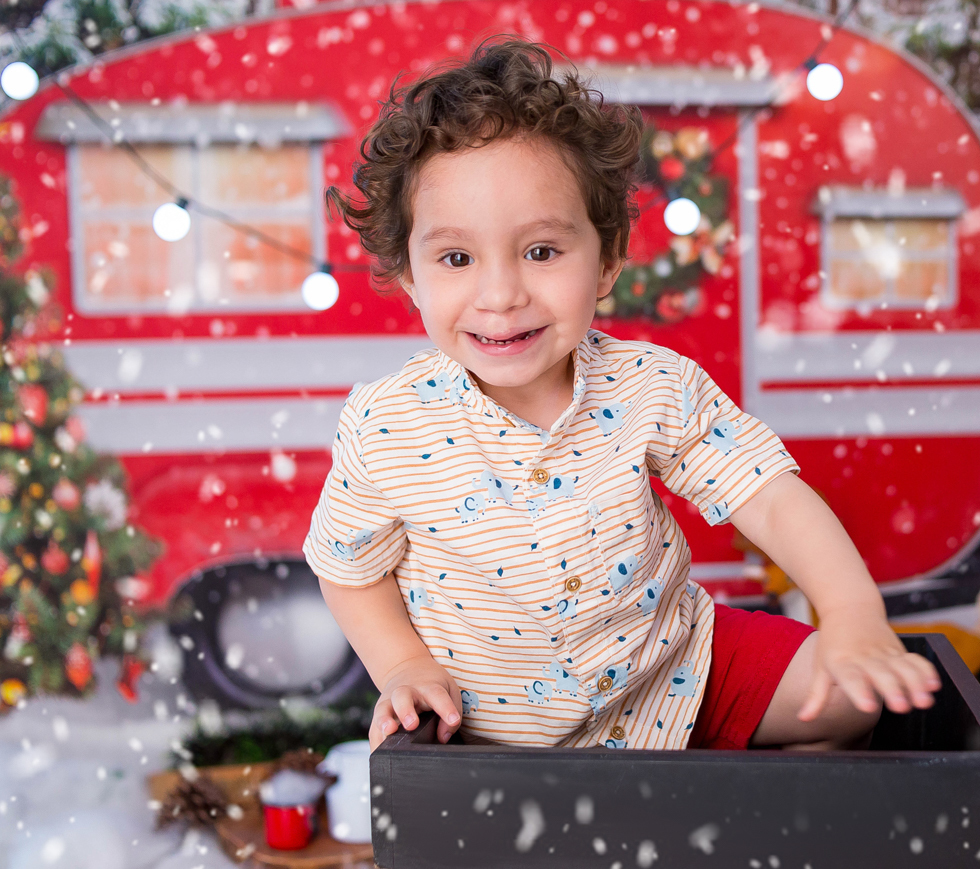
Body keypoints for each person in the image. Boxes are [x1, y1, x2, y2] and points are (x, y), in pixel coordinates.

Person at [303, 36, 941, 753]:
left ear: (606, 260)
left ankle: (761, 794)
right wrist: (403, 663)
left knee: (853, 697)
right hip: (503, 732)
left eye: (542, 251)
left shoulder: (651, 385)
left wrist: (853, 612)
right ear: (412, 278)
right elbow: (348, 569)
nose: (502, 294)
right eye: (456, 258)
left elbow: (767, 494)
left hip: (680, 671)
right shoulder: (386, 424)